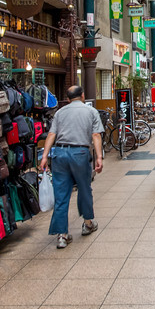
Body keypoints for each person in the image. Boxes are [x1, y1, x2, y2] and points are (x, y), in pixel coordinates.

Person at [38, 85, 103, 248]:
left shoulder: (60, 112)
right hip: (80, 153)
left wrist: (45, 156)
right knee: (84, 188)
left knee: (61, 193)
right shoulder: (91, 112)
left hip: (59, 153)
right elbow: (95, 135)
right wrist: (99, 157)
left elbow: (51, 134)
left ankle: (62, 235)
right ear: (82, 96)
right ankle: (88, 223)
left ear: (67, 99)